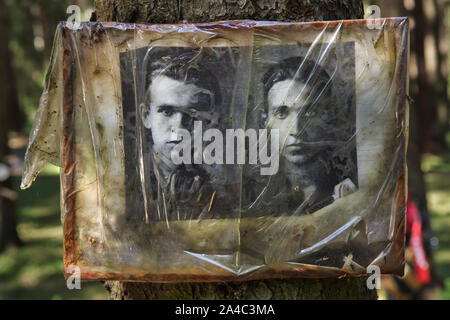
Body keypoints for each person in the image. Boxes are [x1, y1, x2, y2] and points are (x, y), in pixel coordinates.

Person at [248, 55, 357, 215]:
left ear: (329, 116)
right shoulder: (253, 193)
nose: (296, 130)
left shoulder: (351, 188)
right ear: (265, 120)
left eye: (310, 113)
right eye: (282, 113)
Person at [139, 52, 223, 221]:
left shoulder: (222, 188)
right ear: (146, 116)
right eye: (167, 111)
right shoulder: (129, 186)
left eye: (193, 113)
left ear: (212, 119)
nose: (179, 127)